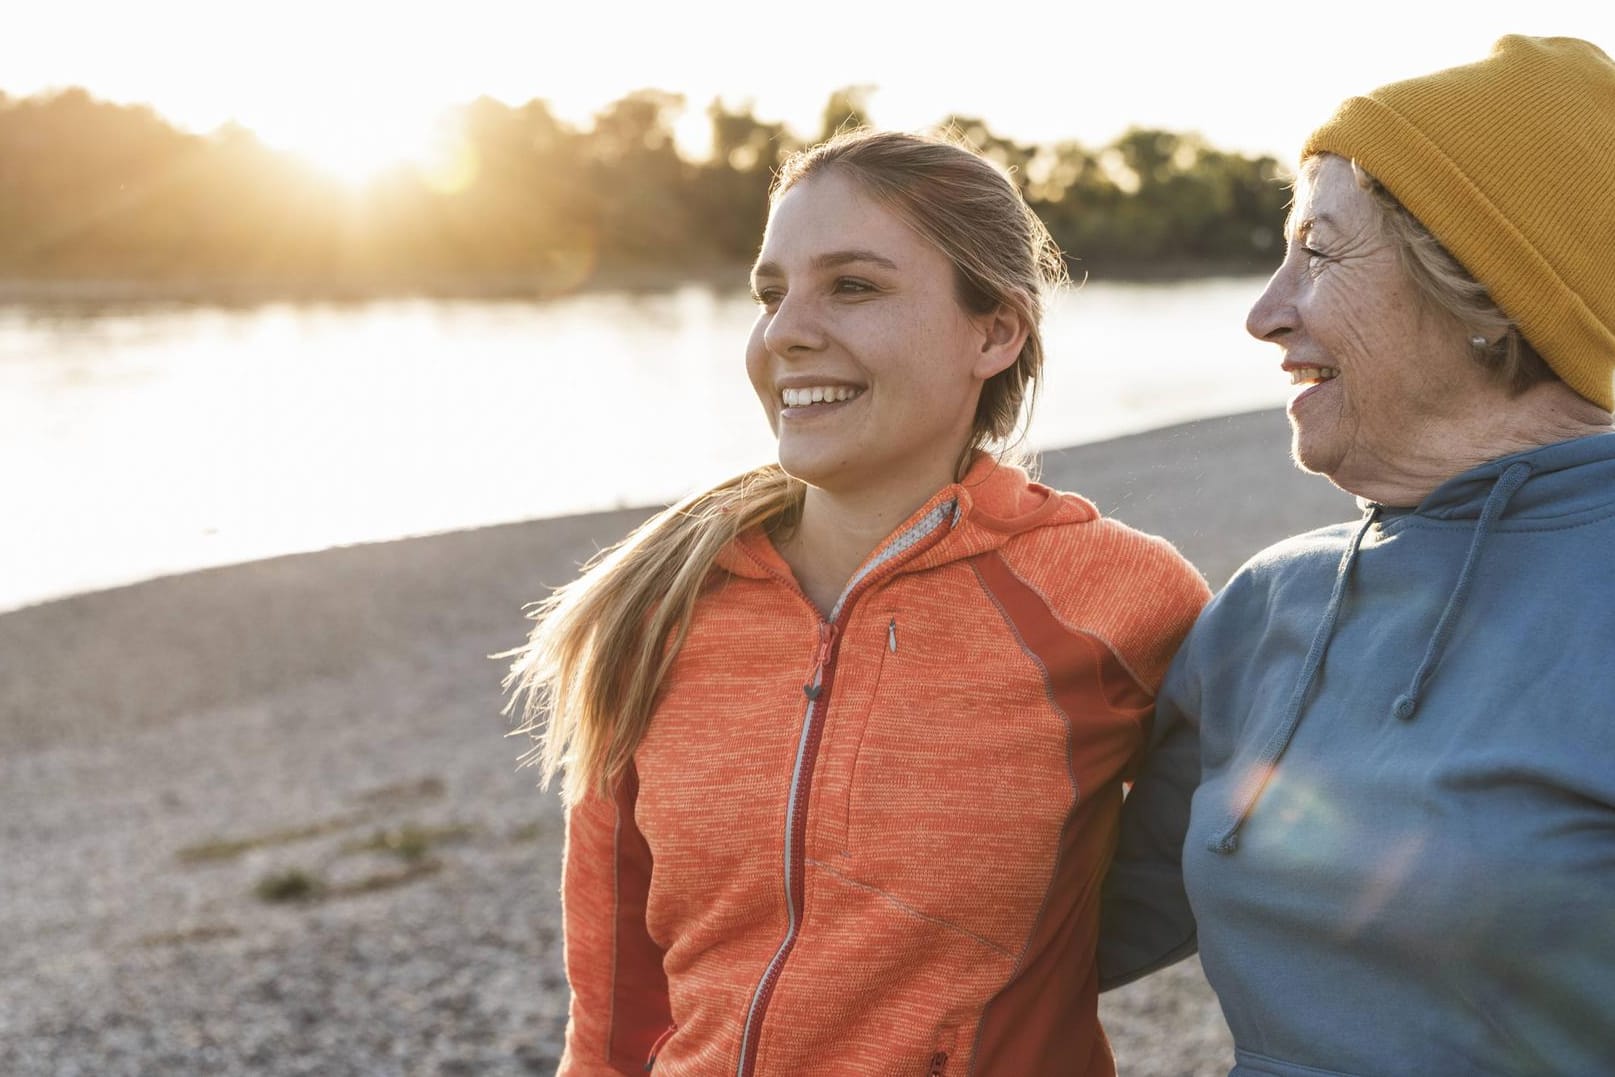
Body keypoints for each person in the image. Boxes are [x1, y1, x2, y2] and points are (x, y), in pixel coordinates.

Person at [504, 128, 1210, 1075]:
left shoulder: (1122, 600)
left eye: (852, 286)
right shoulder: (655, 606)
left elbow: (1241, 865)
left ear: (994, 331)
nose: (784, 331)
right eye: (769, 292)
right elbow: (614, 1005)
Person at [1142, 35, 1615, 1074]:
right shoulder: (1264, 606)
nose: (1265, 313)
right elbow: (1040, 926)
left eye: (1317, 251)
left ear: (1487, 291)